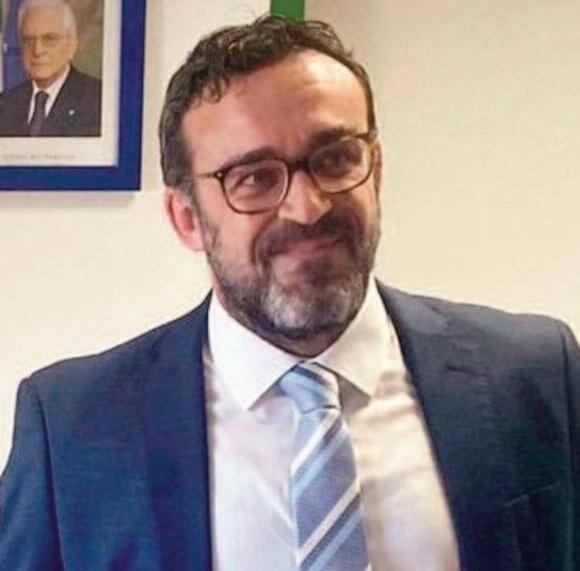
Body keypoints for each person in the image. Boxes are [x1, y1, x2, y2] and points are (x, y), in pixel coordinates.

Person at [0, 14, 578, 571]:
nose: (307, 207)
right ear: (186, 218)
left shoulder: (535, 373)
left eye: (336, 159)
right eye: (253, 178)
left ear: (375, 169)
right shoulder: (73, 426)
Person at [0, 0, 101, 137]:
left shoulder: (97, 100)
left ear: (72, 46)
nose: (38, 50)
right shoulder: (5, 104)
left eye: (49, 39)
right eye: (29, 40)